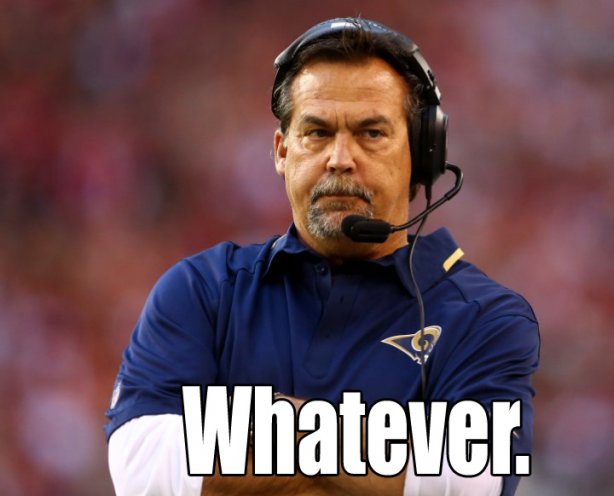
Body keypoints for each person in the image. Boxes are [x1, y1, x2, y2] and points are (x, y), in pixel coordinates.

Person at [105, 17, 540, 496]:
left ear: (421, 154)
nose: (339, 158)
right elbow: (145, 472)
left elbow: (468, 482)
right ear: (281, 152)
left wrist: (259, 429)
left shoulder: (487, 317)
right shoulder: (200, 292)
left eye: (371, 133)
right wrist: (383, 458)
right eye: (317, 132)